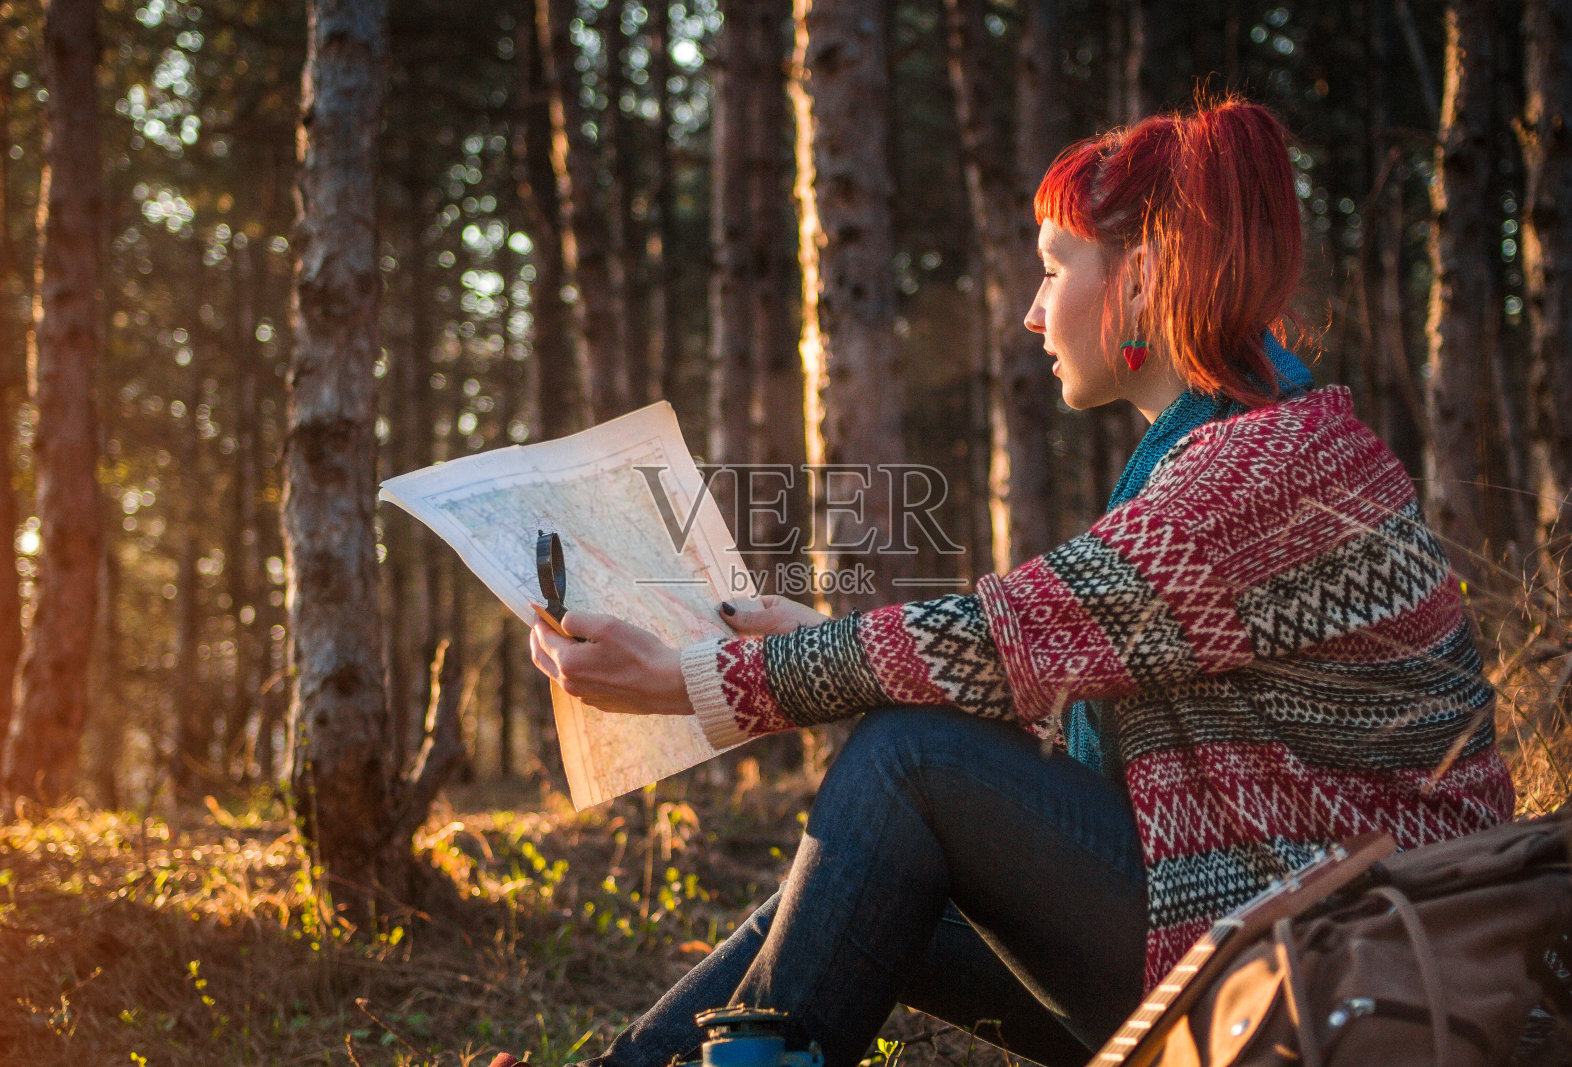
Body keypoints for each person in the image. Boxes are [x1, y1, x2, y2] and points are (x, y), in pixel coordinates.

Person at [510, 97, 1515, 1067]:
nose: (1033, 312)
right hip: (1269, 930)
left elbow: (999, 636)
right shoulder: (1245, 446)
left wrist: (701, 679)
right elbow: (1031, 672)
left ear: (1144, 272)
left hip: (1318, 975)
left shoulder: (1263, 473)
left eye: (1052, 268)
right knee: (867, 871)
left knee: (909, 761)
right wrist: (808, 641)